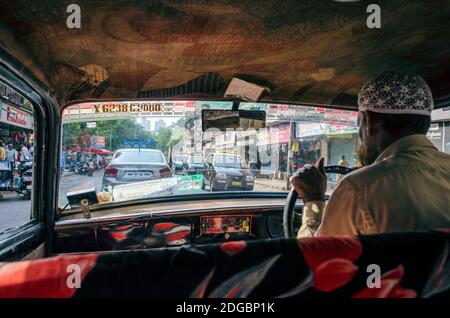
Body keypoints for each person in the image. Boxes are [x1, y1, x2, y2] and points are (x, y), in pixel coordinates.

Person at [291, 71, 450, 237]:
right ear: (426, 122)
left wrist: (313, 200)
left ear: (367, 121)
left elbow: (317, 259)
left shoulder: (358, 187)